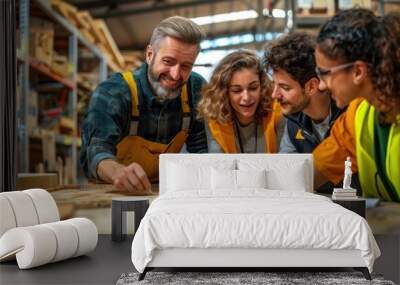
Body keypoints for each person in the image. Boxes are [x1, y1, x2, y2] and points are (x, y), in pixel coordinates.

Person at [80, 16, 208, 192]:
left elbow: (202, 153)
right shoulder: (114, 92)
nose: (176, 74)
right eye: (168, 62)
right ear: (150, 55)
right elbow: (95, 150)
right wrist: (117, 172)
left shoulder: (195, 90)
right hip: (113, 195)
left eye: (186, 66)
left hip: (162, 195)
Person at [313, 9, 400, 201]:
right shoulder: (359, 115)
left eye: (325, 73)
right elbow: (317, 167)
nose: (320, 85)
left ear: (358, 71)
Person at [263, 32, 345, 154]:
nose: (274, 95)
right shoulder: (293, 121)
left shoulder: (348, 116)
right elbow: (287, 166)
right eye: (274, 84)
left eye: (285, 88)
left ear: (311, 86)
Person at [197, 50, 283, 153]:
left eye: (253, 88)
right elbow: (218, 163)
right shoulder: (214, 115)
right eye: (236, 90)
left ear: (262, 86)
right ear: (224, 93)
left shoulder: (278, 109)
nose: (246, 98)